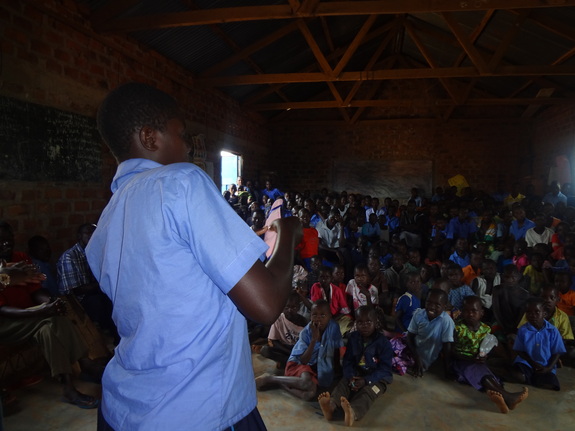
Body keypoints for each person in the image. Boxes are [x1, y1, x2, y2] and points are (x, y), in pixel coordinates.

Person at [85, 83, 302, 431]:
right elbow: (265, 304)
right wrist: (288, 232)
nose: (188, 146)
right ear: (149, 137)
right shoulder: (181, 181)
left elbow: (173, 280)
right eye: (181, 134)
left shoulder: (107, 220)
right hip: (198, 407)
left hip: (123, 408)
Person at [0, 221, 101, 409]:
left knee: (50, 325)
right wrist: (40, 311)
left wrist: (49, 302)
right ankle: (85, 364)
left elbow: (35, 290)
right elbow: (3, 310)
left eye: (9, 239)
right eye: (1, 240)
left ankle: (70, 385)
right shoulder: (5, 274)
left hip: (31, 319)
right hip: (7, 323)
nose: (6, 244)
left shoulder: (20, 259)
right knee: (49, 318)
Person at [318, 306, 393, 427]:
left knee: (368, 392)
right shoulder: (353, 337)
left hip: (377, 378)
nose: (364, 326)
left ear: (376, 322)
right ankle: (331, 406)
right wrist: (350, 376)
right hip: (357, 372)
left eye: (368, 322)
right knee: (343, 383)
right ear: (355, 323)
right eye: (360, 322)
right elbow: (348, 360)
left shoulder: (384, 343)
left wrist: (366, 380)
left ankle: (352, 413)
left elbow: (385, 369)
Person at [451, 296, 528, 414]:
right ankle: (508, 397)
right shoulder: (458, 328)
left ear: (481, 313)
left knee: (488, 376)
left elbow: (487, 347)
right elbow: (452, 352)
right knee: (482, 375)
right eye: (466, 310)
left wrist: (485, 356)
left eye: (474, 311)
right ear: (462, 311)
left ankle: (500, 397)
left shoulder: (485, 329)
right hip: (462, 362)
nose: (470, 314)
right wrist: (470, 358)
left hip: (478, 362)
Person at [255, 300, 343, 400]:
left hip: (315, 366)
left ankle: (280, 384)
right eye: (314, 315)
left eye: (323, 315)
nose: (318, 318)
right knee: (306, 384)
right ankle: (271, 378)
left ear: (330, 316)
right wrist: (314, 340)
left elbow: (336, 349)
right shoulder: (306, 332)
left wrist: (336, 370)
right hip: (298, 363)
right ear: (310, 317)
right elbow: (303, 361)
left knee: (309, 394)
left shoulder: (334, 327)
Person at [57, 223, 118, 343]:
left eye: (94, 232)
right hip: (76, 301)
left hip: (94, 294)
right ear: (79, 236)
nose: (92, 236)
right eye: (88, 233)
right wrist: (103, 283)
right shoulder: (69, 257)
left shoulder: (98, 253)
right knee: (101, 302)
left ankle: (117, 338)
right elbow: (76, 290)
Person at [512, 298, 566, 391]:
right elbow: (519, 350)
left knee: (552, 386)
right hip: (527, 363)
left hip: (545, 364)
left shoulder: (552, 330)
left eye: (537, 312)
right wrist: (532, 363)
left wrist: (549, 368)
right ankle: (532, 378)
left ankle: (533, 378)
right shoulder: (523, 330)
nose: (532, 315)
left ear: (544, 314)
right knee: (519, 376)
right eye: (528, 312)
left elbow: (557, 352)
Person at [406, 288, 454, 377]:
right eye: (429, 302)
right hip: (414, 351)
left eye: (437, 305)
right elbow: (409, 337)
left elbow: (447, 346)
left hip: (428, 356)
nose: (432, 307)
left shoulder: (446, 321)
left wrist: (447, 368)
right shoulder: (419, 314)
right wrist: (416, 357)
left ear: (445, 307)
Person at [260, 292, 307, 369]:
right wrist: (289, 352)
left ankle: (288, 363)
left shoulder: (304, 323)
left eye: (294, 307)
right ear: (282, 307)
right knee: (265, 350)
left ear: (298, 307)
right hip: (284, 348)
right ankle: (290, 362)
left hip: (297, 350)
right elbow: (273, 341)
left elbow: (305, 346)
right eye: (286, 307)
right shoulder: (278, 319)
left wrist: (295, 352)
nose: (289, 310)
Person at [310, 266, 352, 335]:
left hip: (336, 317)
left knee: (345, 321)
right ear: (318, 278)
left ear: (331, 278)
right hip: (321, 317)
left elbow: (344, 310)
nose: (324, 280)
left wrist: (332, 319)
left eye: (327, 277)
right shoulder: (315, 287)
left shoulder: (337, 290)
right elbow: (315, 306)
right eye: (322, 277)